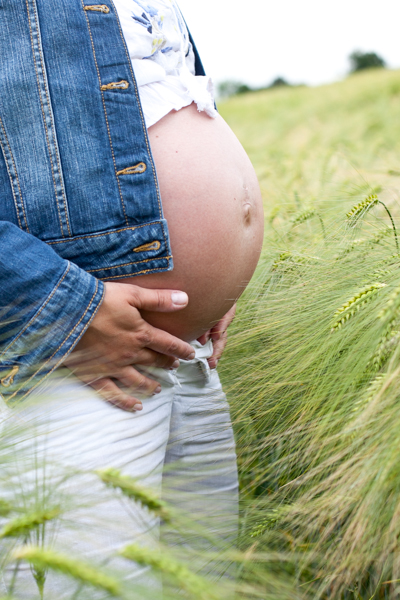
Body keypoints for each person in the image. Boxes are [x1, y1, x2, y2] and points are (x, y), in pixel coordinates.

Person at [0, 0, 264, 596]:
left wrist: (215, 279)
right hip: (71, 360)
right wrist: (60, 307)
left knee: (204, 581)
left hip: (182, 348)